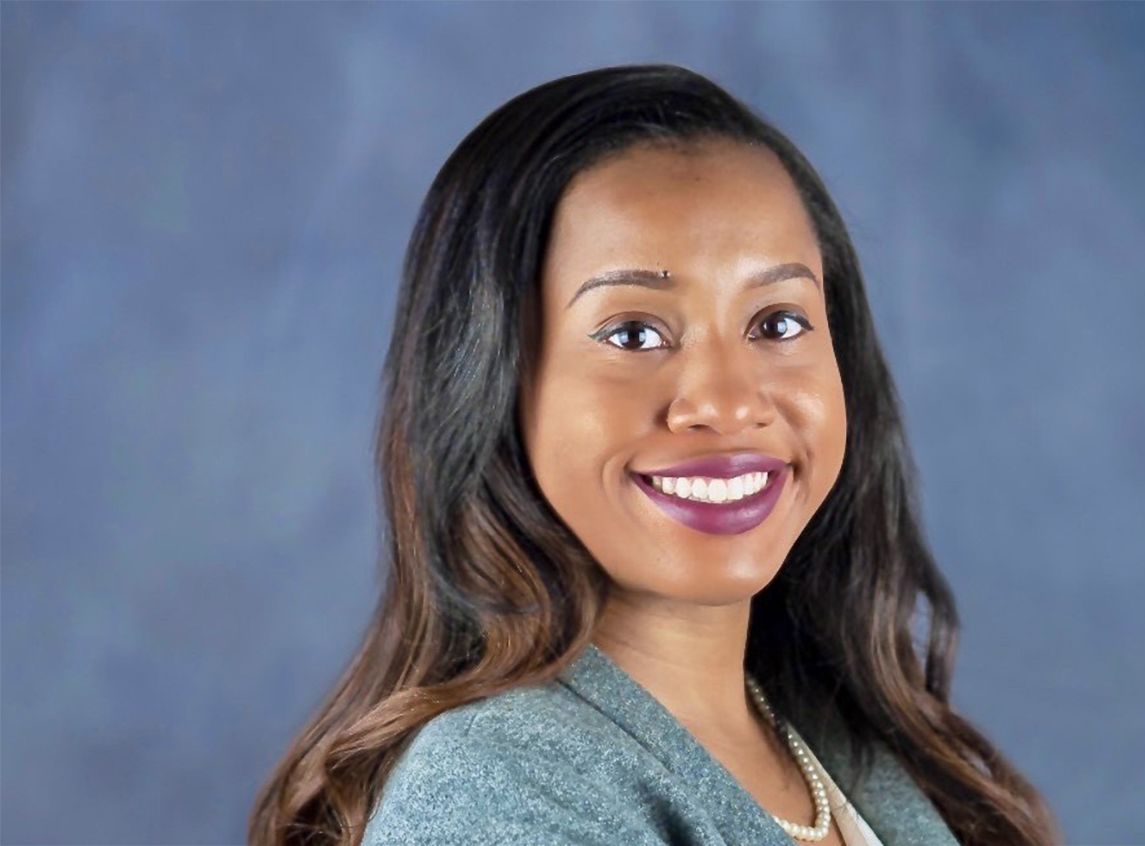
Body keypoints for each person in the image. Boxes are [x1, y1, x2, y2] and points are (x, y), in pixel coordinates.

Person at [248, 63, 1061, 846]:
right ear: (492, 381)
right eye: (634, 333)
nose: (729, 401)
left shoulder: (848, 745)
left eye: (777, 323)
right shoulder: (499, 791)